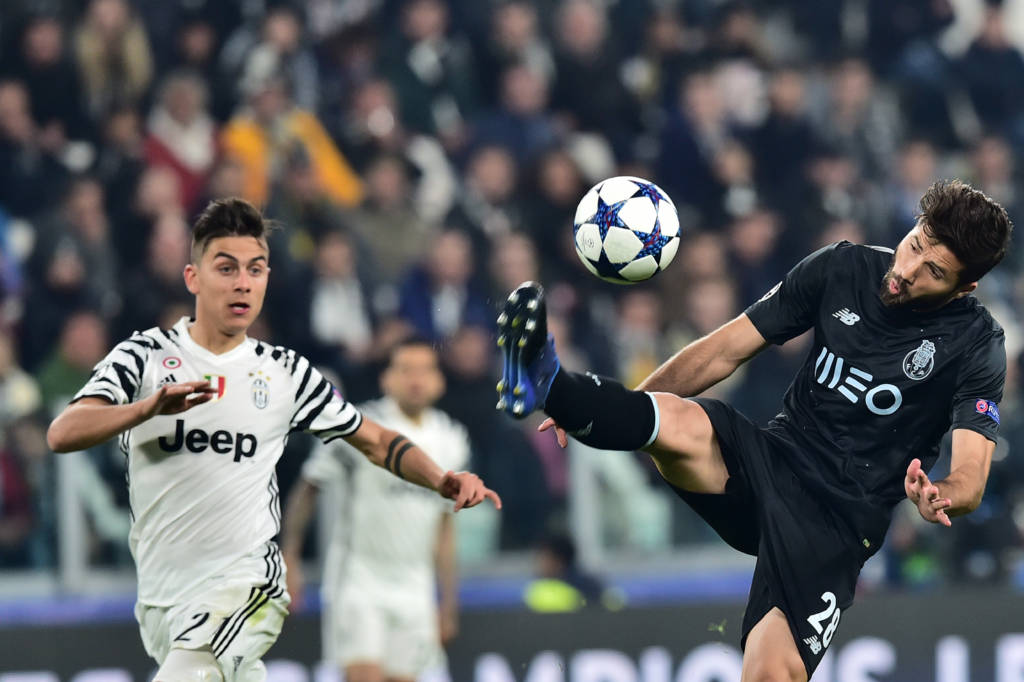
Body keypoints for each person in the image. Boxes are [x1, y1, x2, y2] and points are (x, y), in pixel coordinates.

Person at [496, 179, 1011, 681]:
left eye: (934, 271)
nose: (908, 269)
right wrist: (600, 406)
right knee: (677, 420)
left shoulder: (976, 343)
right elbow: (723, 350)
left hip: (836, 525)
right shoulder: (842, 266)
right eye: (915, 244)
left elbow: (972, 475)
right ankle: (552, 383)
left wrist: (940, 495)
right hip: (770, 461)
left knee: (769, 674)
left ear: (964, 286)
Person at [46, 198, 501, 682]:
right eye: (226, 268)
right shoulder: (145, 356)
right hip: (164, 596)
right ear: (192, 278)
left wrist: (441, 479)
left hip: (247, 588)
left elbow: (374, 439)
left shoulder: (284, 372)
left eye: (256, 269)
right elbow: (62, 432)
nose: (243, 282)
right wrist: (147, 408)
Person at [282, 338, 470, 682]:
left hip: (415, 585)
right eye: (406, 370)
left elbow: (445, 527)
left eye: (425, 370)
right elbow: (309, 488)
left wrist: (447, 603)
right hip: (359, 579)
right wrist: (289, 559)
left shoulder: (451, 438)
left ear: (438, 381)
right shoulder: (362, 429)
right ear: (387, 379)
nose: (416, 380)